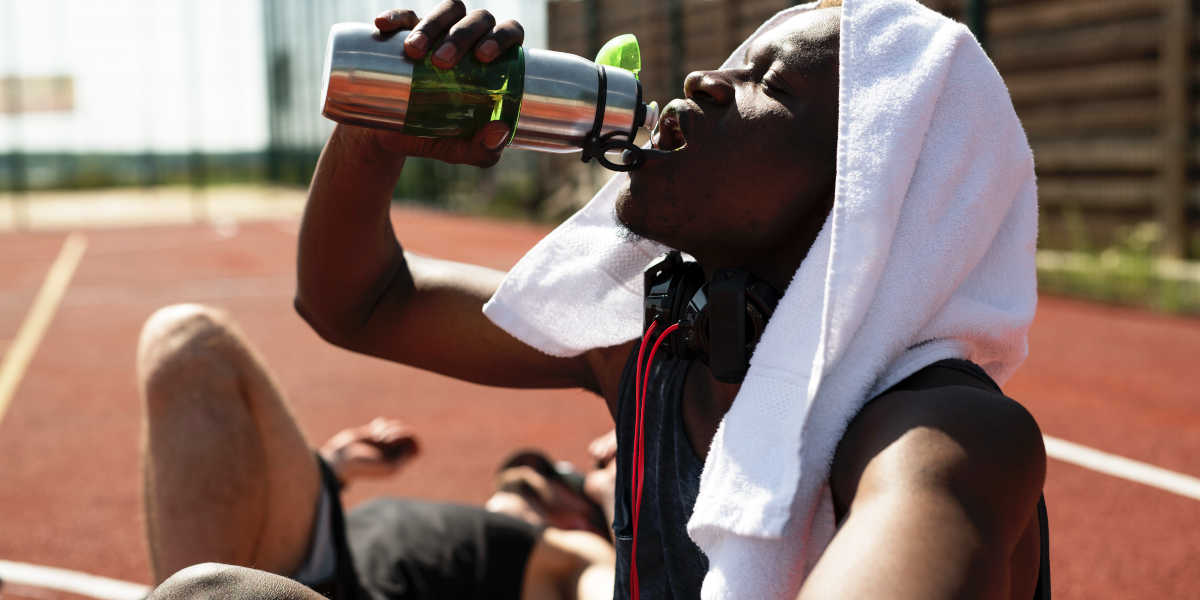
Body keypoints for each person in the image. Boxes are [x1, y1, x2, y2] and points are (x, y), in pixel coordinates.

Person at [294, 1, 1049, 599]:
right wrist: (373, 141)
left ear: (873, 195)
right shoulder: (651, 350)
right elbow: (359, 303)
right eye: (735, 65)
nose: (703, 81)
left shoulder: (947, 438)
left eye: (773, 87)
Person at [138, 303, 617, 600]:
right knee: (187, 340)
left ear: (582, 518)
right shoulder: (474, 530)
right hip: (315, 558)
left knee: (201, 591)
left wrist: (627, 505)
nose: (529, 475)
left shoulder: (576, 555)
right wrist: (334, 470)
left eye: (567, 477)